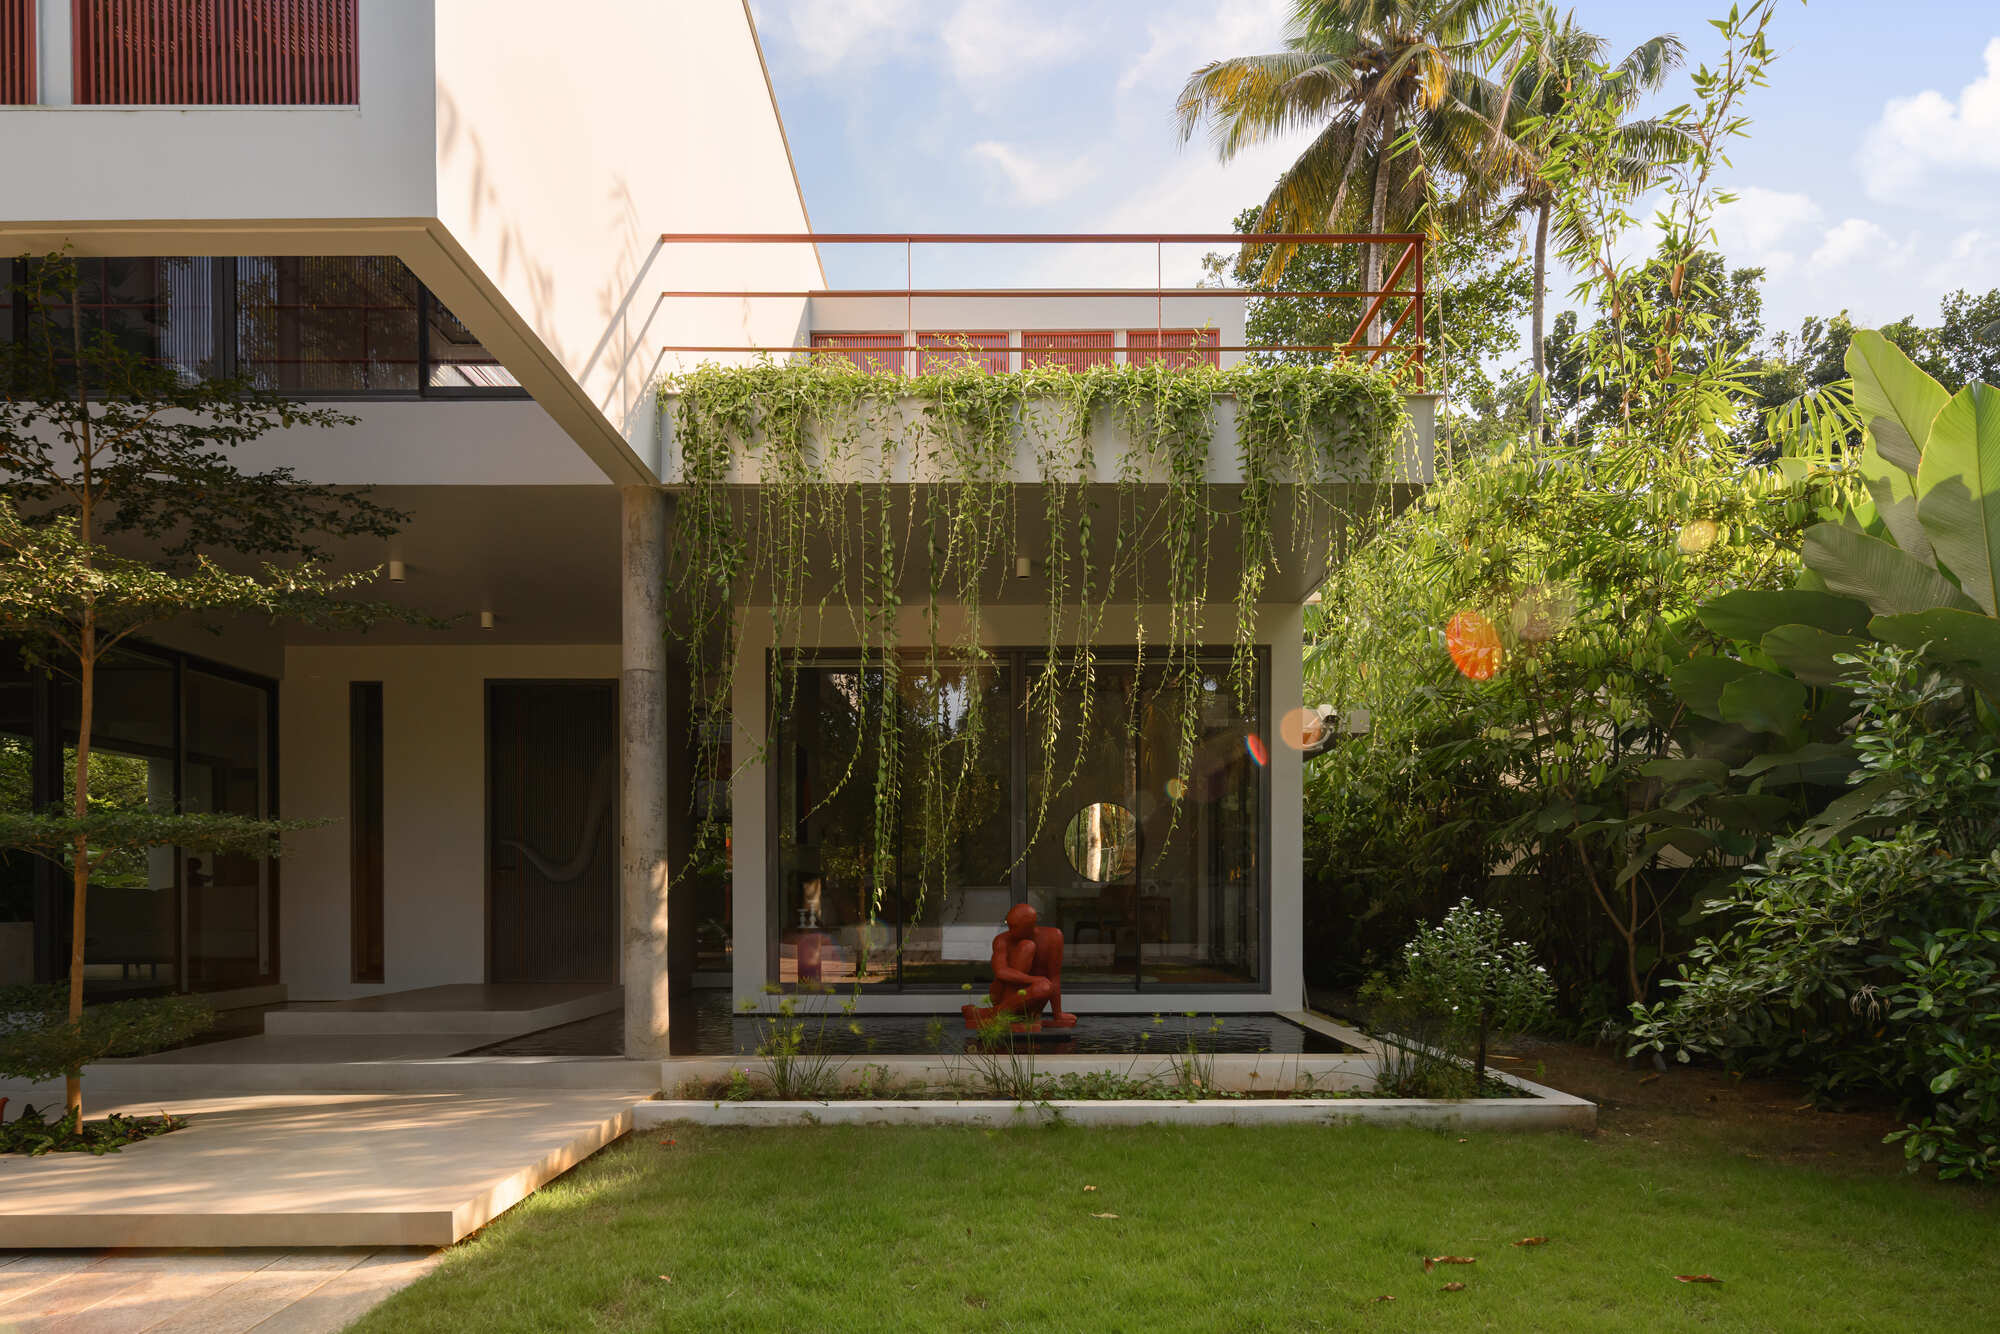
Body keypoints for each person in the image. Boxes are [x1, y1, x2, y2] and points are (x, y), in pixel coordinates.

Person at [961, 903, 1076, 1030]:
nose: (1009, 930)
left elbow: (1054, 977)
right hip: (1003, 994)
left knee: (1045, 987)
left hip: (1032, 1000)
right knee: (1027, 947)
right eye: (1008, 925)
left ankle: (990, 1013)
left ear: (1029, 927)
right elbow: (1001, 972)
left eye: (1014, 927)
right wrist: (1034, 979)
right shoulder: (1002, 940)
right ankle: (1002, 1012)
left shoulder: (1053, 937)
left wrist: (1058, 1014)